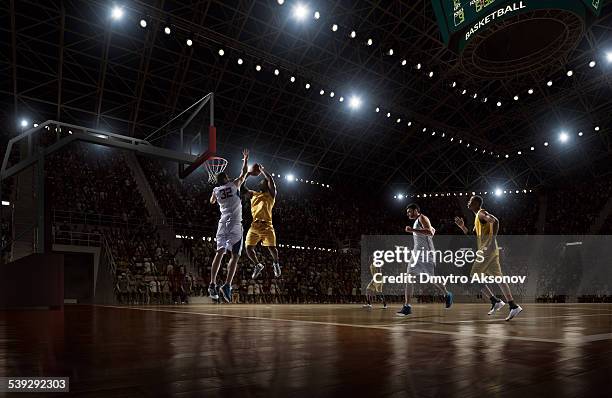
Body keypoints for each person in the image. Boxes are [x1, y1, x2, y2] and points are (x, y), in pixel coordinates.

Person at [454, 195, 523, 321]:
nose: (468, 202)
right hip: (491, 251)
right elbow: (473, 236)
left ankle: (495, 301)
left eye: (470, 201)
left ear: (476, 203)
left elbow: (495, 221)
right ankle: (513, 306)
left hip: (487, 251)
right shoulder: (477, 218)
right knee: (499, 278)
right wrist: (462, 227)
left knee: (473, 277)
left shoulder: (481, 213)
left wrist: (492, 240)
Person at [207, 149, 250, 303]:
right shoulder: (234, 184)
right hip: (234, 225)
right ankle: (227, 285)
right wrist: (245, 159)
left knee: (219, 253)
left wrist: (216, 192)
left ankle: (212, 284)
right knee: (236, 255)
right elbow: (244, 172)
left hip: (222, 223)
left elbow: (212, 201)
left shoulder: (216, 190)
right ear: (225, 177)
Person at [397, 203, 453, 316]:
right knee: (409, 277)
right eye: (407, 212)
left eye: (409, 211)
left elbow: (430, 232)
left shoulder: (422, 217)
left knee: (431, 279)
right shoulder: (418, 220)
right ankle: (407, 306)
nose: (408, 214)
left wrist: (412, 230)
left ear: (416, 210)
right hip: (417, 253)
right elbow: (433, 231)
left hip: (426, 253)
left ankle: (447, 294)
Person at [245, 165, 281, 279]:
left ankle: (276, 263)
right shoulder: (253, 194)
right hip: (254, 226)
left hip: (267, 226)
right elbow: (241, 187)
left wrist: (262, 170)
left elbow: (270, 179)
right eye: (262, 181)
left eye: (264, 181)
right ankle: (257, 265)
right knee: (248, 248)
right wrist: (248, 174)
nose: (263, 181)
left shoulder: (271, 195)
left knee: (272, 248)